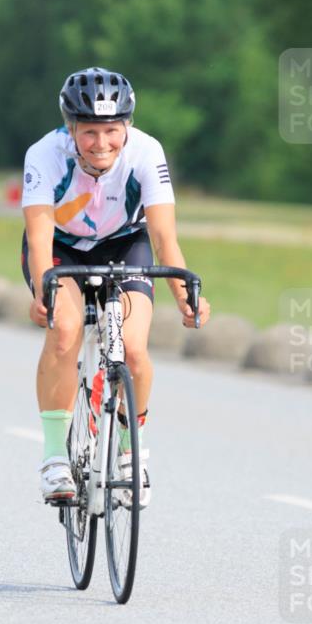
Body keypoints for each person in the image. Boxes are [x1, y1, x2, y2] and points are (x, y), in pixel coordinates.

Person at [21, 66, 211, 504]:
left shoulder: (146, 151)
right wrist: (41, 292)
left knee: (135, 349)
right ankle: (54, 459)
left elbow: (164, 238)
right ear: (71, 129)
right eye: (89, 132)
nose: (102, 143)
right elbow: (39, 232)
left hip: (125, 244)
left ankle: (130, 449)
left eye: (111, 130)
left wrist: (186, 297)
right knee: (65, 330)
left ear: (126, 126)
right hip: (62, 248)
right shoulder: (45, 154)